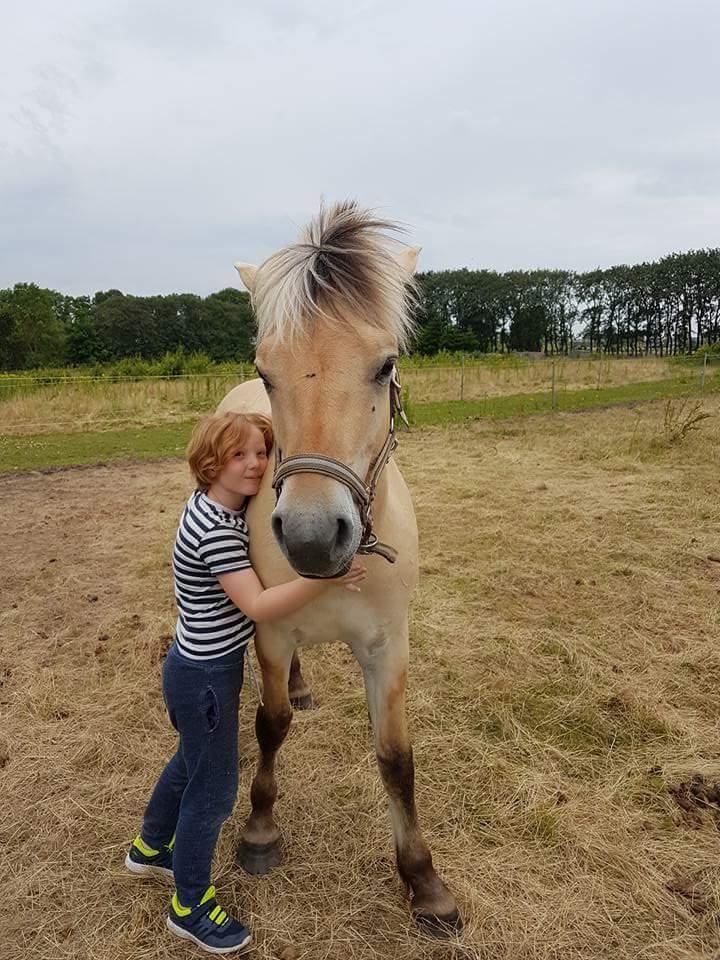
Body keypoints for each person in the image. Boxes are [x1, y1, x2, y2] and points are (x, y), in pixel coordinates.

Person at [124, 411, 366, 954]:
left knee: (190, 762)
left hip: (194, 670)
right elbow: (257, 603)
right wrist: (324, 577)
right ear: (210, 465)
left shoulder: (217, 510)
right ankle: (188, 904)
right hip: (206, 679)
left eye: (262, 452)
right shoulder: (214, 529)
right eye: (240, 456)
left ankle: (149, 848)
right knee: (212, 792)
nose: (257, 464)